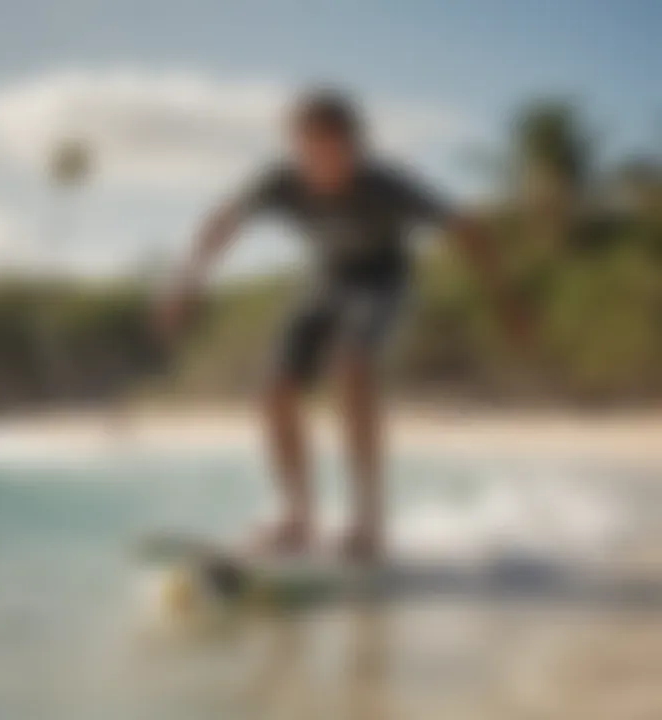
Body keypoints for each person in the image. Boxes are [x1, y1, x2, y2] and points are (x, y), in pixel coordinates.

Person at [156, 89, 511, 560]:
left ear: (354, 146)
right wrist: (187, 287)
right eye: (309, 149)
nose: (321, 162)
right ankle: (298, 518)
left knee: (352, 365)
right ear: (296, 147)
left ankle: (368, 522)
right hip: (325, 281)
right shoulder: (279, 181)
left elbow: (466, 227)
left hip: (382, 280)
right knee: (274, 389)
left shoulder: (387, 185)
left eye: (333, 149)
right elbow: (220, 223)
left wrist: (506, 299)